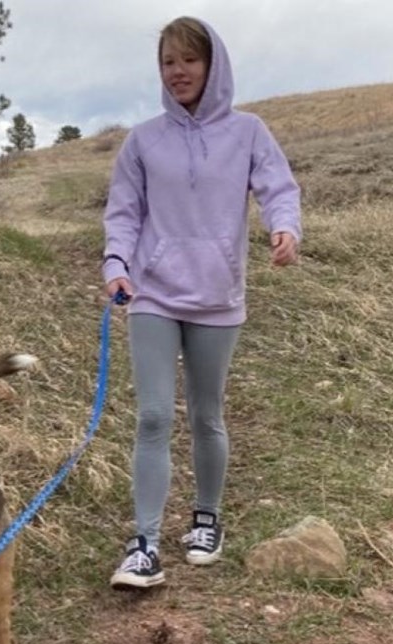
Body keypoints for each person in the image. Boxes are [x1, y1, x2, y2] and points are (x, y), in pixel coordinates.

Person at [100, 15, 302, 589]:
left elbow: (278, 188)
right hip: (152, 294)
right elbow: (123, 213)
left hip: (217, 295)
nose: (178, 71)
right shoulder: (143, 140)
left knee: (207, 414)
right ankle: (144, 543)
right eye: (168, 61)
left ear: (213, 66)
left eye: (190, 59)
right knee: (154, 415)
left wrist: (284, 228)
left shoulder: (249, 132)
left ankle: (206, 519)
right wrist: (116, 262)